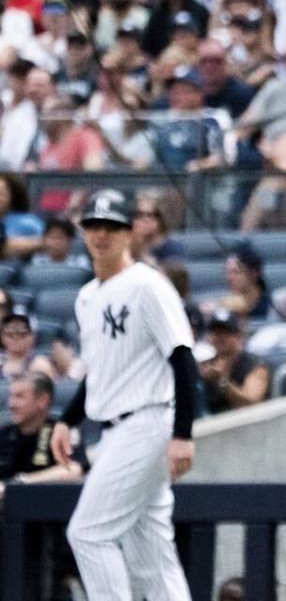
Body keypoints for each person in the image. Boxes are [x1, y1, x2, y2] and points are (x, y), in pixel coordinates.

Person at [50, 188, 198, 600]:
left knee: (88, 533)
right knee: (150, 550)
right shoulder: (87, 297)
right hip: (117, 426)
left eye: (111, 227)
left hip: (147, 421)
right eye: (94, 226)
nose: (101, 235)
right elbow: (100, 370)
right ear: (83, 231)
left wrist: (183, 433)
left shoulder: (147, 285)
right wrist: (66, 419)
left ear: (129, 233)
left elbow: (182, 357)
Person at [0, 373, 85, 490]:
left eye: (19, 396)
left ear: (43, 401)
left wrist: (20, 483)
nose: (11, 404)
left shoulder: (60, 431)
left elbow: (73, 469)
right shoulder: (4, 433)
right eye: (11, 396)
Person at [197, 308, 269, 414]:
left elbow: (252, 406)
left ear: (239, 336)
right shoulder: (205, 364)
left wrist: (222, 382)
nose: (220, 337)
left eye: (225, 332)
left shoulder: (255, 365)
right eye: (215, 333)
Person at [0, 312, 55, 379]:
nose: (15, 337)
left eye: (21, 333)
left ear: (32, 336)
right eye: (10, 333)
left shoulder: (40, 365)